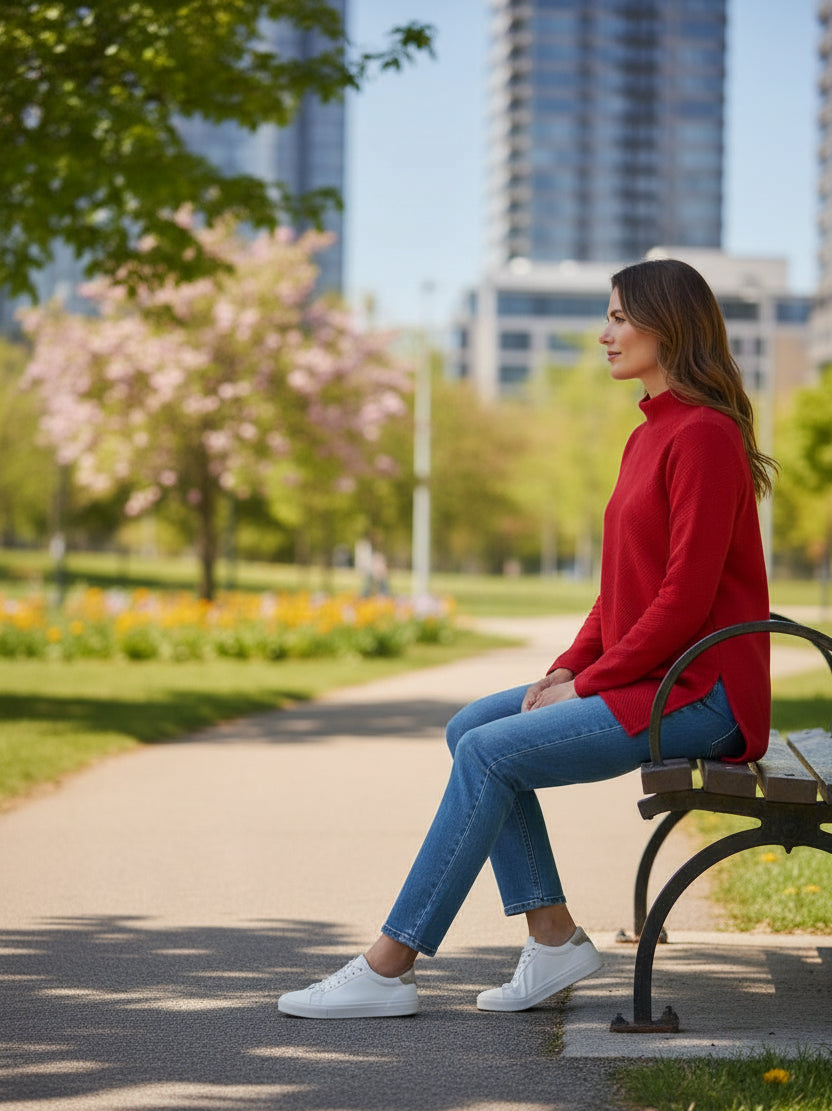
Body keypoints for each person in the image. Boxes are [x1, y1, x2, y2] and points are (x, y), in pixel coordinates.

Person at [278, 258, 775, 1020]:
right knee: (472, 726)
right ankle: (551, 938)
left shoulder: (704, 437)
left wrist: (593, 682)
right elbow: (620, 592)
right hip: (659, 680)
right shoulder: (648, 436)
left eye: (618, 318)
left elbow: (684, 601)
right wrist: (567, 667)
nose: (603, 334)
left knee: (489, 751)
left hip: (705, 695)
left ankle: (389, 965)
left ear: (666, 326)